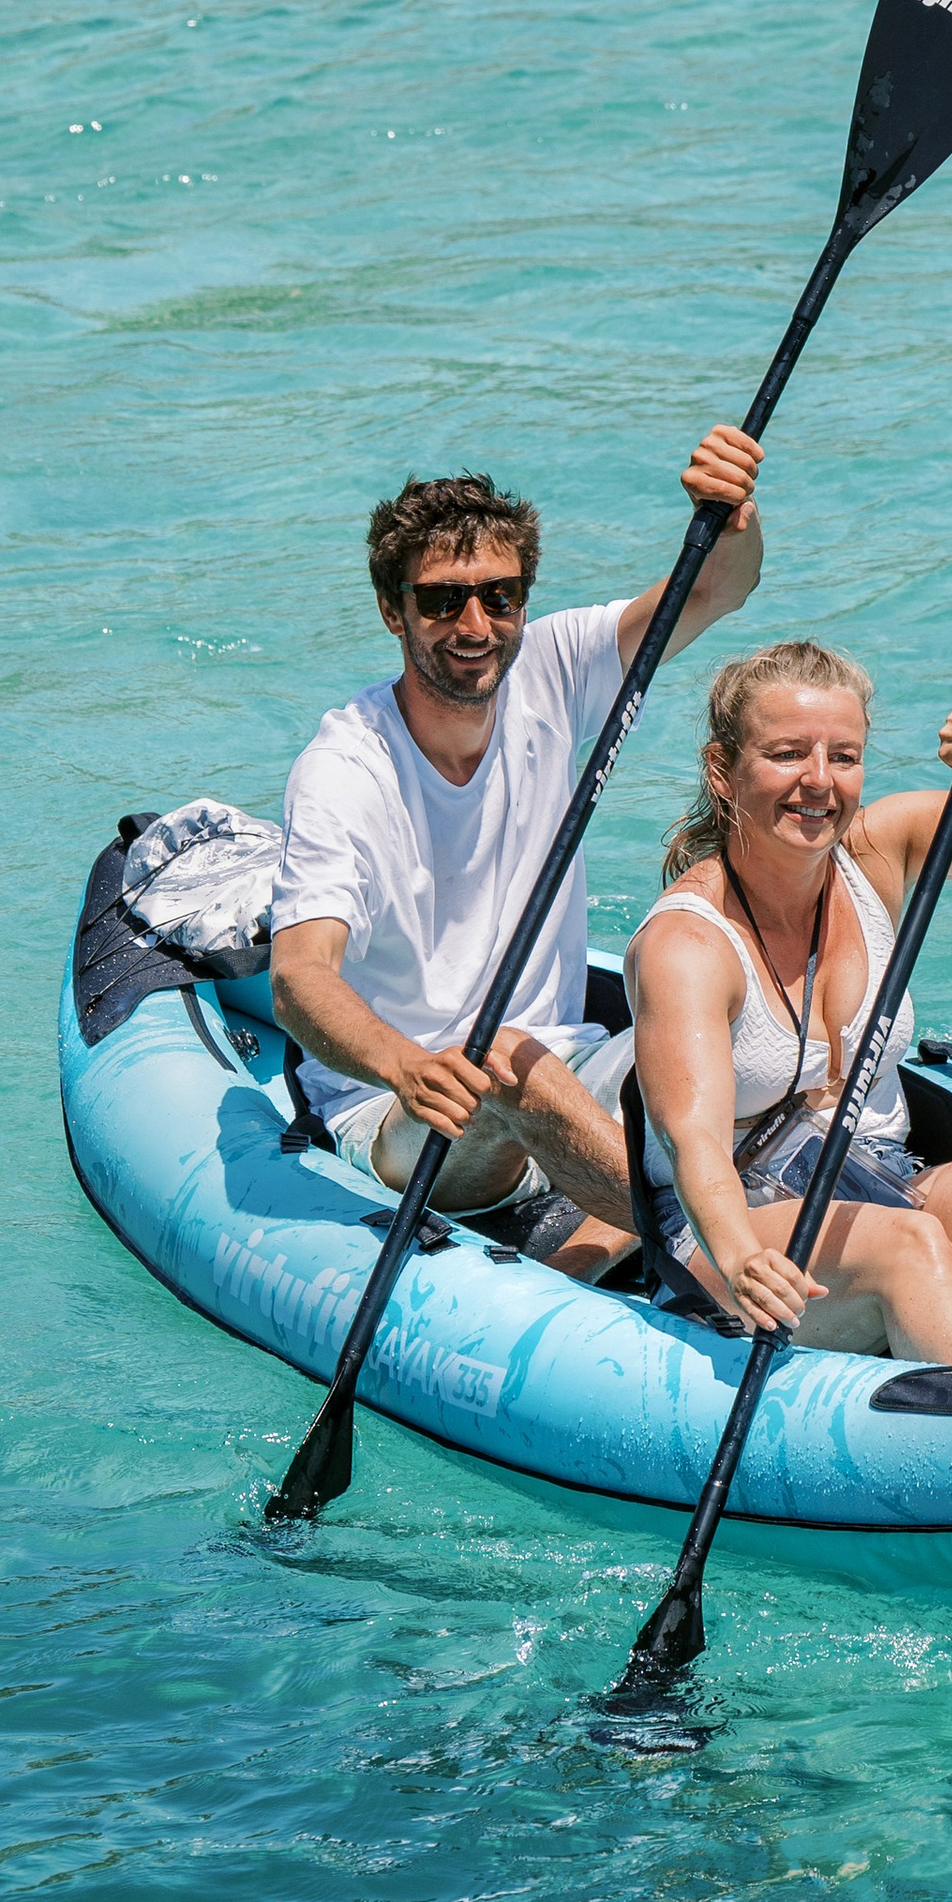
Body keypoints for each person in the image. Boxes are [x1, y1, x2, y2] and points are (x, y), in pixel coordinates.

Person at [268, 428, 764, 1279]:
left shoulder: (555, 665)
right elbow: (298, 976)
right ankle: (731, 1250)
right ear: (393, 610)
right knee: (498, 1057)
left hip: (562, 1066)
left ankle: (751, 1216)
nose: (475, 625)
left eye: (500, 596)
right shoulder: (343, 769)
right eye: (441, 601)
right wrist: (404, 1064)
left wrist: (734, 511)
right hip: (406, 1115)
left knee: (739, 1018)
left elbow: (719, 584)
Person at [626, 639, 952, 1358]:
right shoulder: (687, 946)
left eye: (843, 757)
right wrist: (739, 1258)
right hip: (737, 1230)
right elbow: (692, 1145)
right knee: (907, 1244)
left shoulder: (878, 851)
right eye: (787, 754)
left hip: (883, 1178)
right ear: (722, 772)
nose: (819, 781)